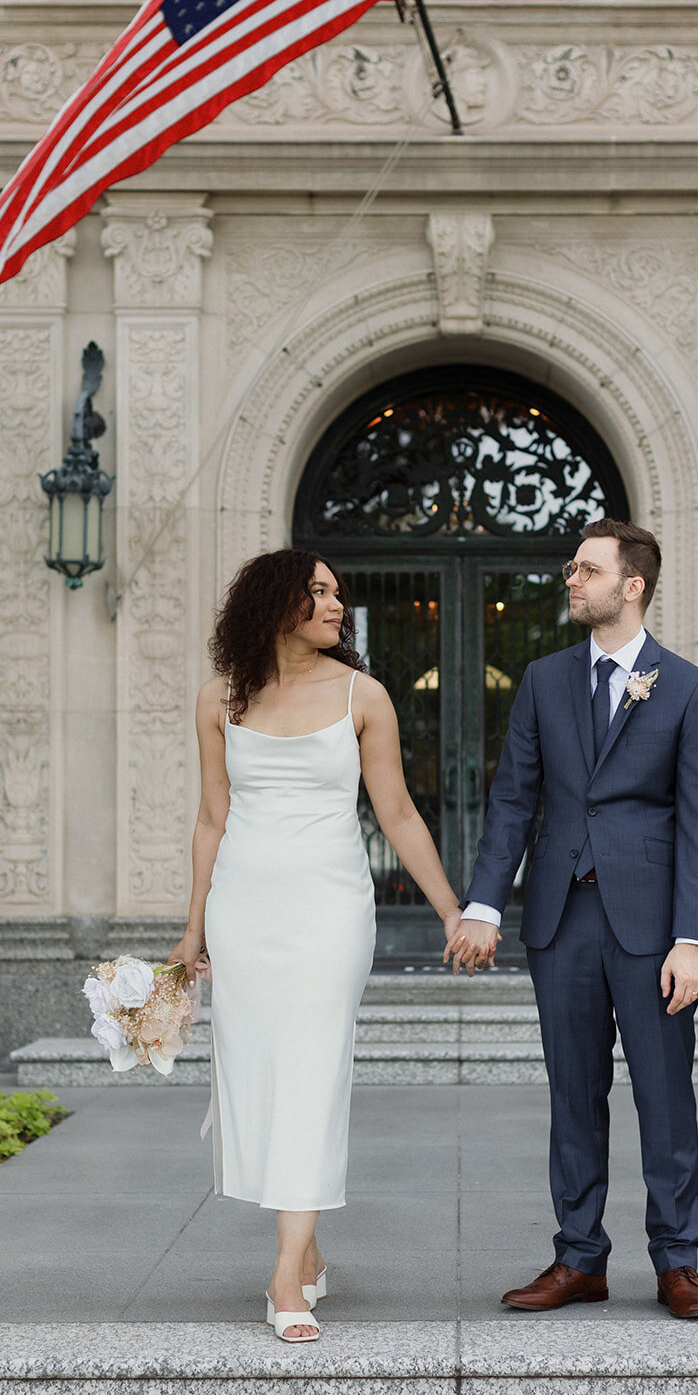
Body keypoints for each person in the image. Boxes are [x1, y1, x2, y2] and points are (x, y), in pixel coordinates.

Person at [168, 549, 490, 1343]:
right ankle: (306, 1250)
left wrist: (451, 910)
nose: (335, 605)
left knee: (312, 1071)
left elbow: (400, 815)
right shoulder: (220, 697)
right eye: (318, 592)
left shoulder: (362, 694)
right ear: (274, 601)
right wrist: (192, 928)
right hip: (245, 909)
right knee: (257, 1071)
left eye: (338, 594)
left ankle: (284, 1276)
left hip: (330, 911)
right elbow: (213, 818)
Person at [462, 518, 698, 1320]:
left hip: (651, 928)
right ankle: (579, 1258)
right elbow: (514, 799)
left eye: (586, 569)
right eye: (571, 568)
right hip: (560, 919)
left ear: (631, 584)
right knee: (572, 1093)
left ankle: (676, 1260)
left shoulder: (686, 687)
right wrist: (482, 903)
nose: (571, 580)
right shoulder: (543, 681)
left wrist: (691, 938)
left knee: (662, 1094)